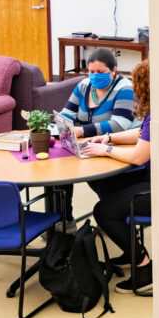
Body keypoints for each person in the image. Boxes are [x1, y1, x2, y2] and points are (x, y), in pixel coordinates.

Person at [81, 59, 152, 294]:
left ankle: (144, 268)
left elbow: (139, 157)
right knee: (107, 184)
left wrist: (106, 150)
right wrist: (108, 138)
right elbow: (141, 133)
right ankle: (130, 248)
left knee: (104, 211)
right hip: (158, 176)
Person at [55, 48, 137, 219]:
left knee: (99, 181)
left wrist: (81, 130)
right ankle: (64, 221)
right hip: (92, 143)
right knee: (61, 169)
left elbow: (120, 125)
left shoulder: (125, 88)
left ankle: (113, 214)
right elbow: (68, 113)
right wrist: (57, 124)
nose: (94, 76)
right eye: (91, 72)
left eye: (100, 72)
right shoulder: (84, 86)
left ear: (113, 70)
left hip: (120, 143)